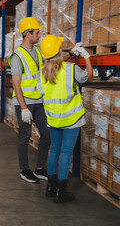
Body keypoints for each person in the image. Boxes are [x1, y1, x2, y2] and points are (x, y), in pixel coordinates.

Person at [38, 35, 93, 203]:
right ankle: (61, 193)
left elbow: (42, 91)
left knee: (54, 150)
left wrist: (70, 52)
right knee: (66, 153)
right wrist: (87, 57)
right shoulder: (71, 68)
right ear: (58, 51)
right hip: (71, 119)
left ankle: (50, 188)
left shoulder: (43, 72)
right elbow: (89, 77)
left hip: (54, 119)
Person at [8, 17, 51, 183]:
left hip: (39, 102)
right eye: (37, 32)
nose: (39, 35)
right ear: (28, 34)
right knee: (25, 135)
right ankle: (24, 170)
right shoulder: (18, 56)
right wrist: (24, 108)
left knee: (47, 133)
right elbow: (16, 84)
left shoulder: (39, 52)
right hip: (24, 103)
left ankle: (40, 168)